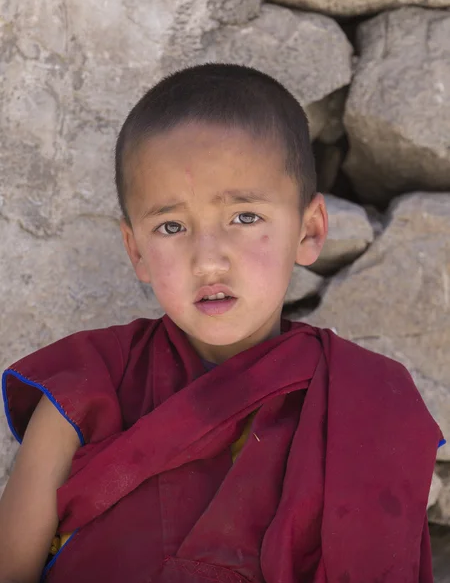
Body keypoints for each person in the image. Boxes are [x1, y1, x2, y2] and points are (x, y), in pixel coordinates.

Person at [0, 63, 445, 583]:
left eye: (245, 217)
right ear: (136, 251)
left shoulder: (369, 401)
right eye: (171, 226)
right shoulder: (86, 385)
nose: (208, 261)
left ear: (309, 230)